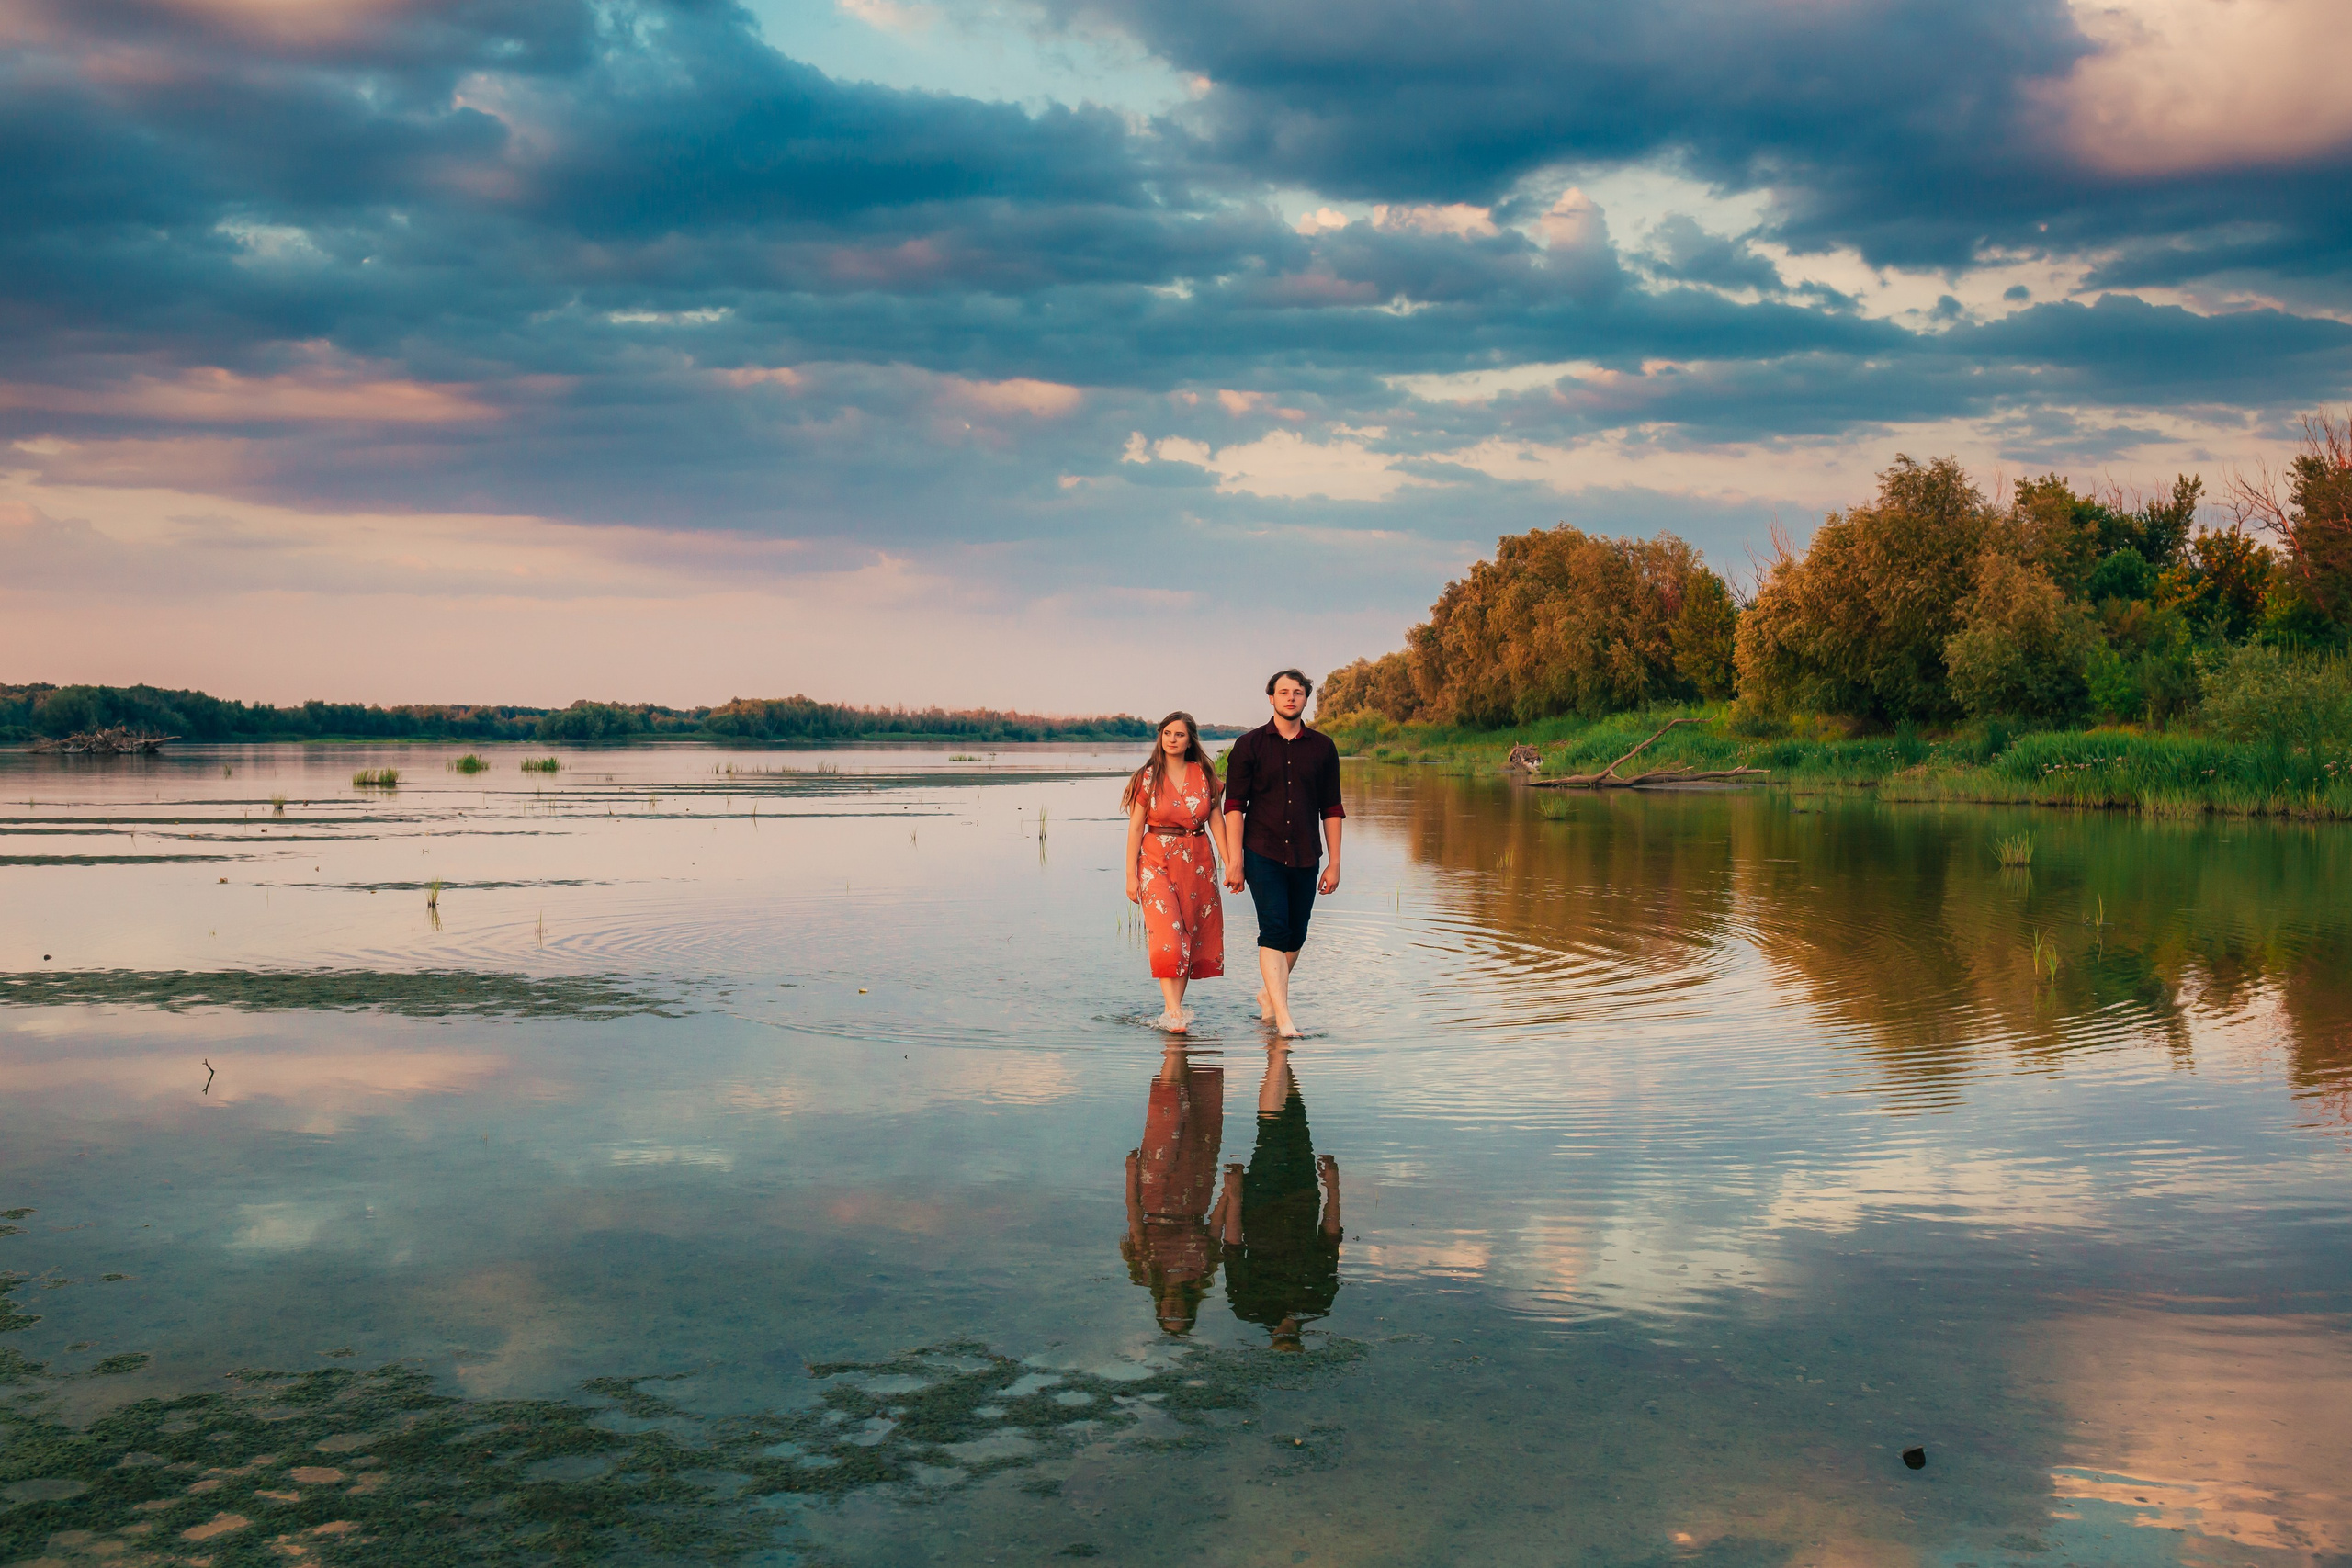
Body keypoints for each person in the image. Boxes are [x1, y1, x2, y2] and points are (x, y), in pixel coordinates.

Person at [1219, 669, 1344, 1036]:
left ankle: (1267, 995)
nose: (1291, 698)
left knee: (1296, 935)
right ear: (1271, 698)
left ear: (1307, 699)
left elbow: (1332, 808)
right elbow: (1234, 808)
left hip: (1307, 853)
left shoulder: (1323, 747)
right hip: (1262, 851)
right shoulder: (1249, 746)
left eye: (1298, 692)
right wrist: (1234, 861)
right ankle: (1284, 1018)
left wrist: (1334, 863)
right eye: (1283, 692)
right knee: (1273, 930)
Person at [1218, 1040, 1341, 1350]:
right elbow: (1329, 1238)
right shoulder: (1318, 1302)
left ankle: (1277, 1051)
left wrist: (1234, 1195)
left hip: (1262, 1202)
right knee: (1297, 1120)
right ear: (1301, 1345)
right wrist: (1333, 1187)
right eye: (1293, 1342)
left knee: (1271, 1130)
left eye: (1281, 1342)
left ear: (1271, 1343)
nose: (1286, 1338)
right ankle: (1276, 1042)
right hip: (1303, 1197)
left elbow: (1233, 1246)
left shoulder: (1248, 1306)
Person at [1123, 711, 1227, 1032]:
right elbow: (1136, 826)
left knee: (1189, 937)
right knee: (1167, 935)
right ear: (1160, 736)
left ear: (1190, 739)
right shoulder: (1148, 776)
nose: (1172, 739)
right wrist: (1130, 875)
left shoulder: (1205, 773)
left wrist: (1232, 862)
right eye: (1167, 733)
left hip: (1197, 861)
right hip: (1155, 861)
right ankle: (1173, 1011)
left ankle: (1175, 1010)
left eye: (1179, 734)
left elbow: (1217, 820)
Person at [1122, 1043, 1229, 1335]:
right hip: (1197, 1190)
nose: (1174, 1310)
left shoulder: (1145, 1273)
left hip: (1156, 1191)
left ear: (1159, 1310)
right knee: (1203, 1106)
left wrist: (1131, 1172)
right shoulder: (1203, 1275)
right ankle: (1196, 1038)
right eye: (1181, 1316)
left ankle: (1175, 1044)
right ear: (1190, 1311)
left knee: (1167, 1112)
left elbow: (1134, 1218)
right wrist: (1230, 1191)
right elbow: (1215, 1226)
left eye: (1168, 1315)